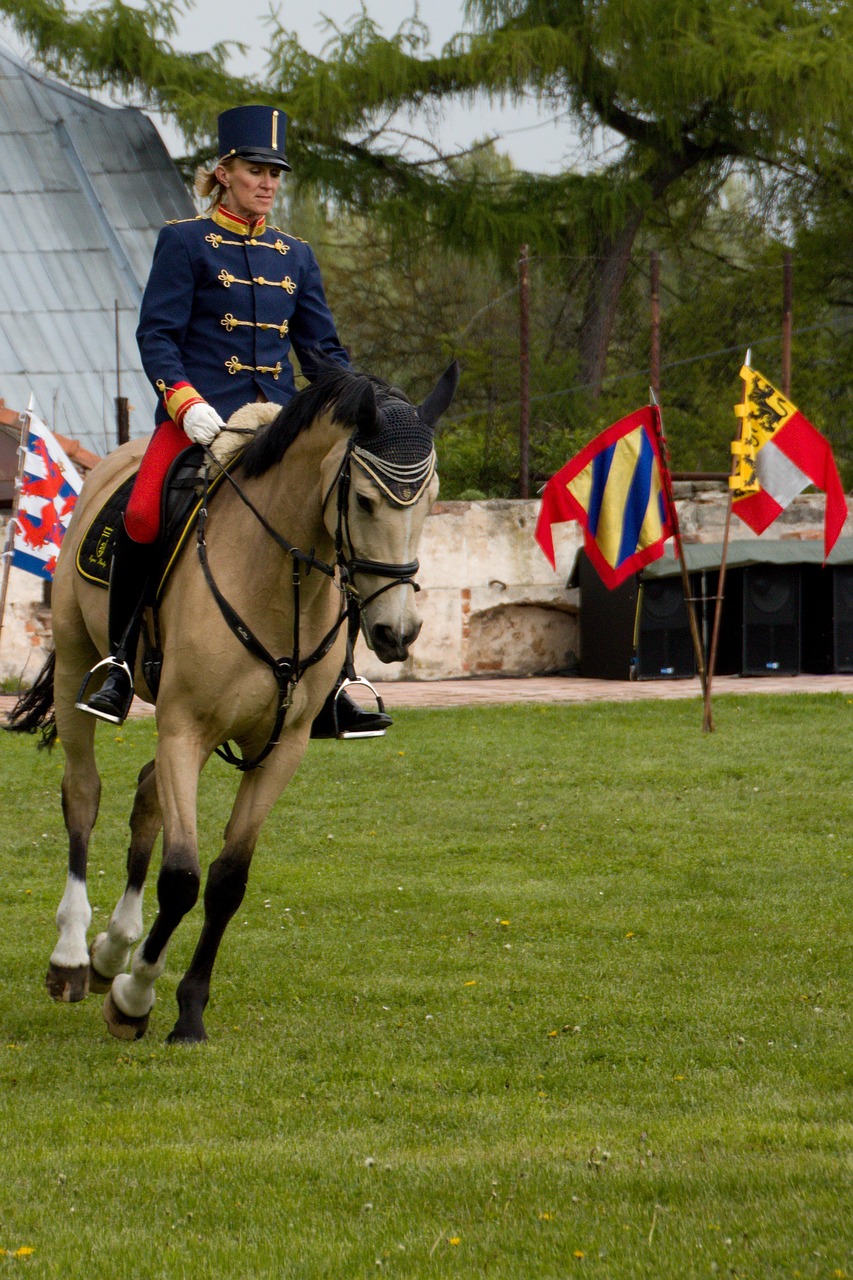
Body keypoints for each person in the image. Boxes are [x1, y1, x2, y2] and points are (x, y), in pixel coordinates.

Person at [77, 104, 391, 738]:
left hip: (277, 421)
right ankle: (117, 660)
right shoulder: (184, 242)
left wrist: (366, 402)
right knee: (140, 513)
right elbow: (157, 337)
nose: (268, 182)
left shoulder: (295, 256)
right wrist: (185, 403)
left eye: (276, 172)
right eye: (256, 169)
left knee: (337, 519)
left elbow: (322, 353)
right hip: (200, 417)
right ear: (224, 173)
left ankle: (340, 680)